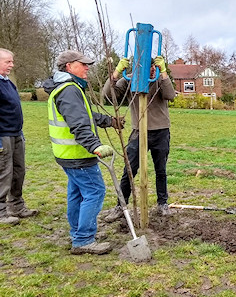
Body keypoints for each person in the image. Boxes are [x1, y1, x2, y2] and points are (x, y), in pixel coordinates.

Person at [43, 50, 124, 255]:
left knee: (77, 194)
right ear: (69, 66)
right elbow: (79, 125)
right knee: (95, 192)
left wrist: (108, 121)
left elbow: (85, 115)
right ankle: (83, 240)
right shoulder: (69, 90)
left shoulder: (68, 88)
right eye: (83, 64)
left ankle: (77, 233)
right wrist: (95, 146)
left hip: (68, 155)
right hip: (78, 155)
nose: (88, 67)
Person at [101, 55, 175, 222]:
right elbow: (107, 95)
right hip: (137, 131)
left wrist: (163, 71)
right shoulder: (129, 81)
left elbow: (170, 95)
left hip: (161, 131)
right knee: (129, 170)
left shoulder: (158, 80)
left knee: (161, 170)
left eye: (150, 68)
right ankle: (121, 206)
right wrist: (117, 71)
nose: (146, 71)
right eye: (140, 68)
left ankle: (162, 204)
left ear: (153, 68)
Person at [0, 48, 38, 226]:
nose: (12, 65)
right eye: (8, 62)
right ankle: (1, 212)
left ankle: (16, 205)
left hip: (16, 133)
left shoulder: (7, 82)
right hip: (3, 135)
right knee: (3, 173)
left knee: (18, 171)